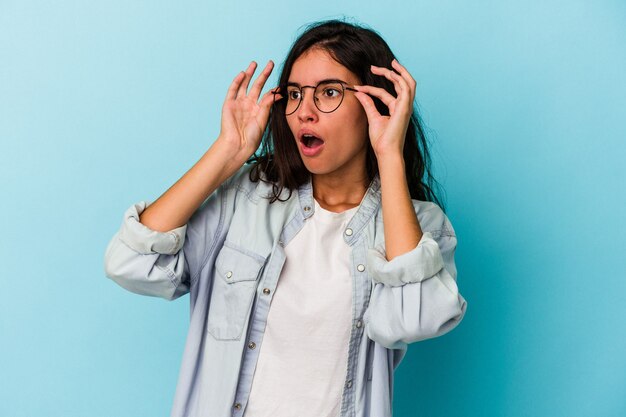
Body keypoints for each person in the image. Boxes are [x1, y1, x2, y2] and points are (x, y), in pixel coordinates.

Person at [104, 19, 467, 417]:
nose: (304, 112)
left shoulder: (419, 226)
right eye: (295, 94)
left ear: (376, 105)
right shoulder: (246, 199)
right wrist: (228, 151)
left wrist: (389, 156)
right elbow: (131, 264)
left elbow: (413, 319)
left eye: (329, 92)